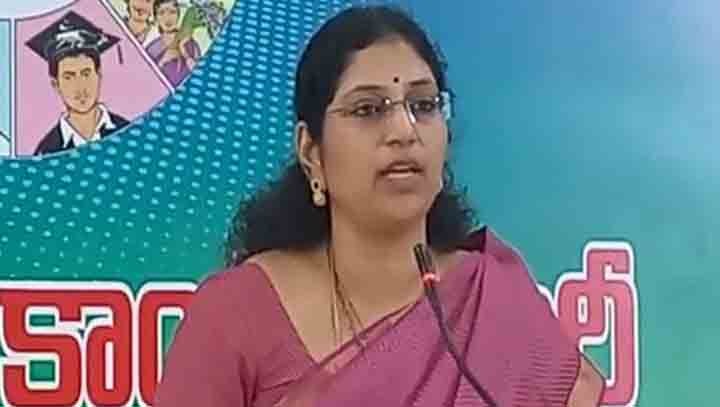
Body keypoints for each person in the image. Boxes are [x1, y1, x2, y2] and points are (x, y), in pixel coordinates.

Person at [155, 5, 604, 407]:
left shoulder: (492, 303)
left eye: (423, 105)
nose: (405, 130)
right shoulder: (234, 315)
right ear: (311, 152)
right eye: (368, 109)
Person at [25, 11, 130, 156]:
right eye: (69, 77)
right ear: (56, 84)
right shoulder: (46, 152)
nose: (80, 86)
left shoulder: (127, 132)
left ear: (99, 74)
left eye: (86, 74)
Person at [145, 0, 201, 87]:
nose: (167, 18)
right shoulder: (152, 48)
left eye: (172, 12)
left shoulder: (191, 45)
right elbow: (146, 80)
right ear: (156, 18)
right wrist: (163, 61)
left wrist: (185, 55)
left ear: (178, 15)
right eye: (161, 13)